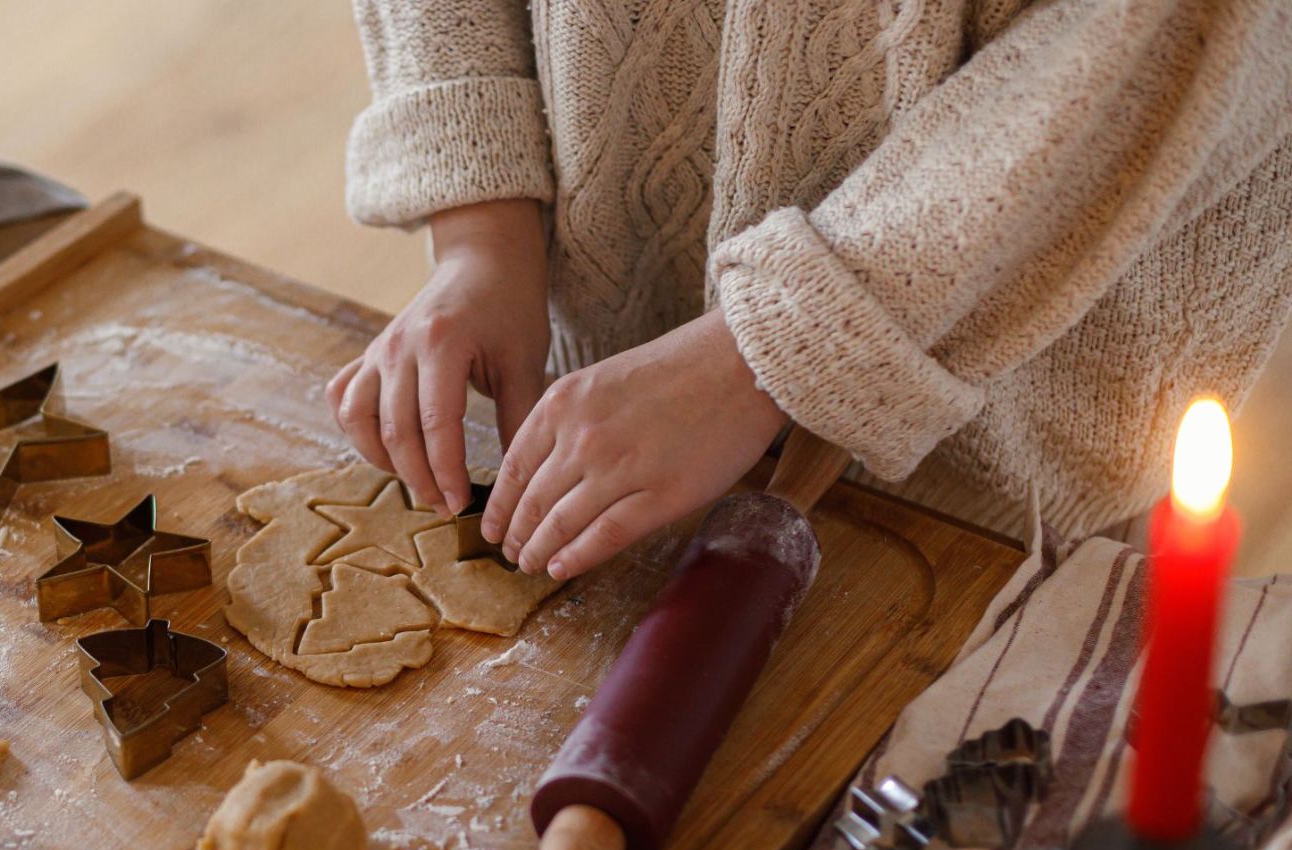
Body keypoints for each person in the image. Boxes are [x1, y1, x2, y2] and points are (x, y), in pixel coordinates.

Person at [333, 0, 1292, 580]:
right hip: (607, 363)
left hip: (993, 457)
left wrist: (778, 347)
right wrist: (482, 229)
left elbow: (1182, 36)